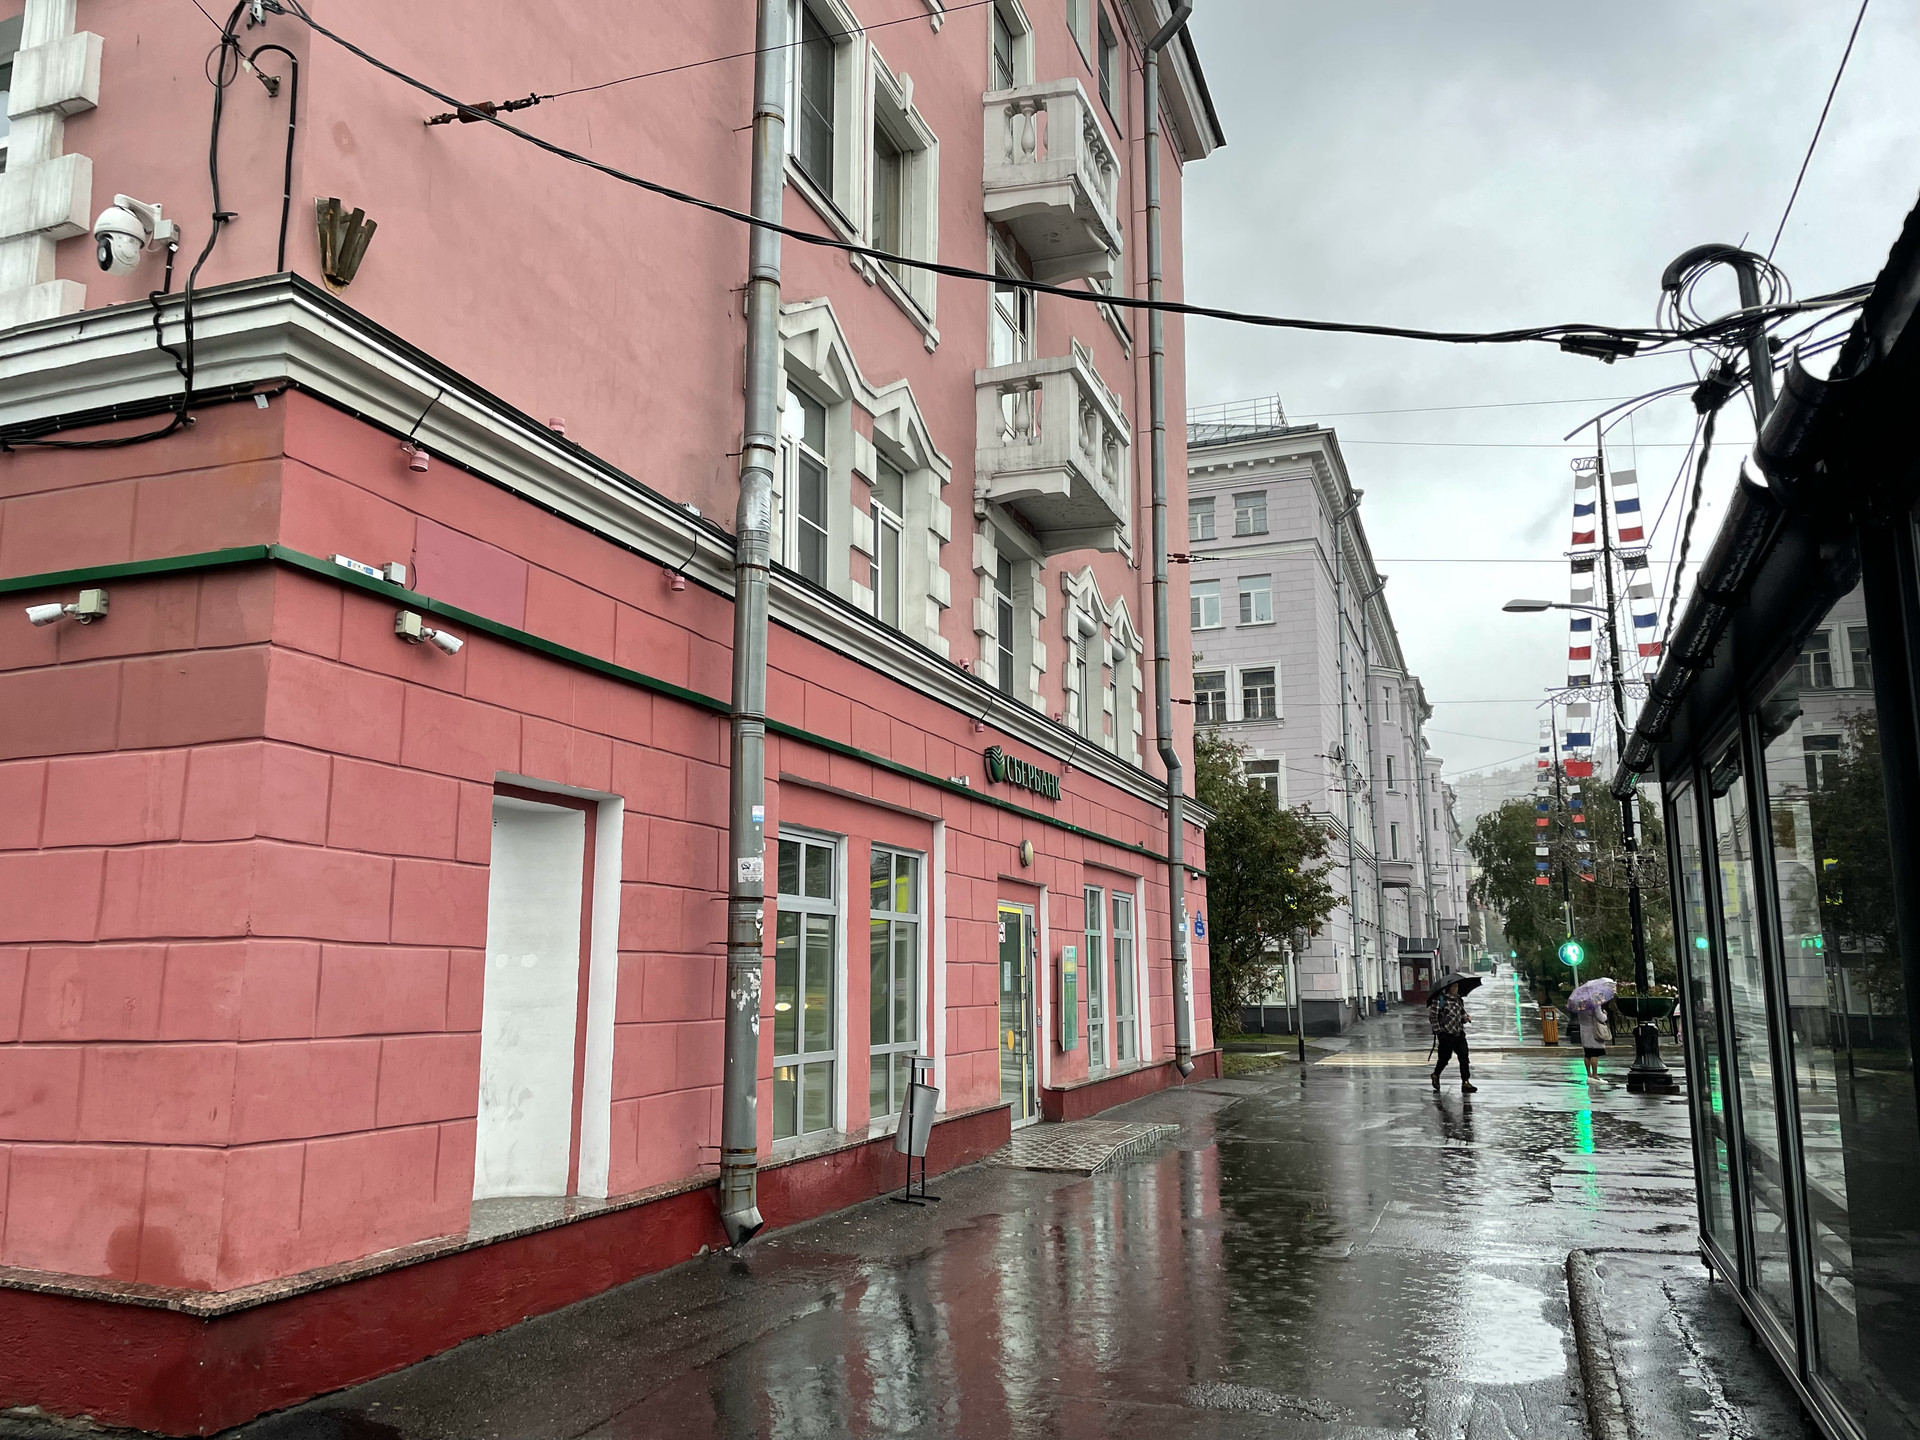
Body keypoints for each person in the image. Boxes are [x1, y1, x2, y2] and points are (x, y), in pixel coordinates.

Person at [1429, 981, 1475, 1093]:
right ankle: (1436, 1074)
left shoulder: (1458, 1000)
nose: (1455, 989)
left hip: (1459, 1034)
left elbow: (1460, 1016)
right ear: (1448, 988)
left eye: (1457, 986)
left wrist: (1465, 1019)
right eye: (1453, 987)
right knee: (1444, 1059)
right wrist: (1439, 1032)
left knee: (1464, 1058)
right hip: (1446, 1035)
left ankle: (1465, 1082)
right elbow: (1433, 1017)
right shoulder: (1440, 1000)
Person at [1577, 998, 1612, 1080]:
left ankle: (1589, 1074)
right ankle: (1595, 1075)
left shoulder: (1580, 1004)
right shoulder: (1595, 1004)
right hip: (1594, 1031)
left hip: (1584, 1031)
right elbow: (1601, 1018)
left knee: (1587, 1054)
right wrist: (1605, 1014)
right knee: (1594, 1053)